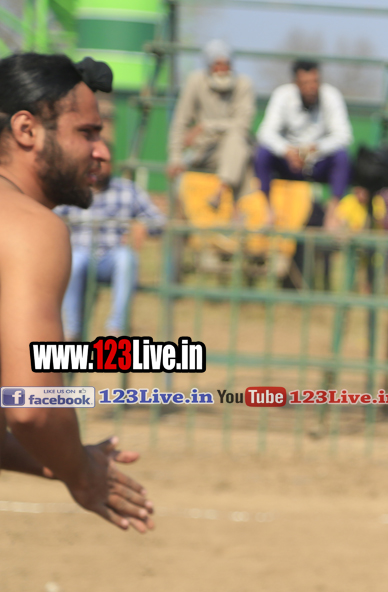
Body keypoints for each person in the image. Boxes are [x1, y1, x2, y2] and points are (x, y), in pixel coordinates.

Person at [0, 52, 154, 532]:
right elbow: (30, 408)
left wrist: (65, 461)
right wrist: (82, 473)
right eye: (87, 133)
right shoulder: (29, 229)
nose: (102, 152)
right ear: (27, 130)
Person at [57, 131, 166, 340]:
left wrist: (144, 227)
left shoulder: (127, 190)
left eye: (104, 161)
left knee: (127, 259)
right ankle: (72, 331)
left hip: (112, 257)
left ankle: (116, 329)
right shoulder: (72, 190)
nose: (99, 166)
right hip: (81, 255)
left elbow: (159, 221)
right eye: (94, 161)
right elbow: (50, 216)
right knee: (75, 261)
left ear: (112, 163)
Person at [166, 39, 256, 202]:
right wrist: (175, 157)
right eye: (217, 64)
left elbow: (243, 124)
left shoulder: (243, 84)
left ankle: (221, 192)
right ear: (209, 65)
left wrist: (206, 126)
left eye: (226, 64)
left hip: (233, 149)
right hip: (204, 149)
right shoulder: (195, 81)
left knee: (237, 142)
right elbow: (180, 121)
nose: (222, 69)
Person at [255, 59, 353, 207]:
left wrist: (317, 148)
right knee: (262, 153)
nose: (311, 88)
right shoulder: (282, 95)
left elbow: (344, 135)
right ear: (295, 83)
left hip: (319, 161)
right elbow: (265, 133)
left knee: (342, 156)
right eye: (305, 83)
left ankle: (333, 212)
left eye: (315, 82)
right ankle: (266, 209)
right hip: (289, 162)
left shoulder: (331, 96)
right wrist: (286, 151)